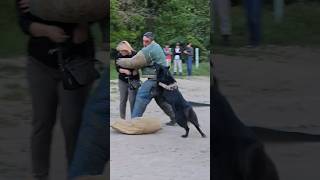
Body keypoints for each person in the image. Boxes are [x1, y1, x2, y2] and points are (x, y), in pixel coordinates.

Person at [17, 0, 97, 179]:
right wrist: (47, 31)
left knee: (72, 123)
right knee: (42, 122)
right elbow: (24, 22)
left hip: (75, 62)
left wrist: (83, 25)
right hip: (41, 62)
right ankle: (40, 175)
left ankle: (74, 174)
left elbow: (96, 9)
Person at [116, 32, 177, 125]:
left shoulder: (150, 49)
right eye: (143, 41)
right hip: (163, 78)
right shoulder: (156, 46)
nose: (144, 43)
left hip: (155, 79)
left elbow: (133, 62)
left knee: (141, 96)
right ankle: (175, 118)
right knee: (161, 100)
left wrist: (119, 61)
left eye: (147, 41)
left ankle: (134, 122)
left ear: (152, 40)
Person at [115, 41, 139, 119]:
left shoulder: (134, 54)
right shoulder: (118, 55)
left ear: (127, 49)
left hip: (133, 80)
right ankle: (122, 119)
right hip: (122, 80)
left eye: (122, 51)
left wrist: (136, 69)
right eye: (120, 51)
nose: (121, 52)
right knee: (123, 100)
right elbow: (117, 68)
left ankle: (134, 118)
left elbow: (139, 64)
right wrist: (124, 70)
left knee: (132, 100)